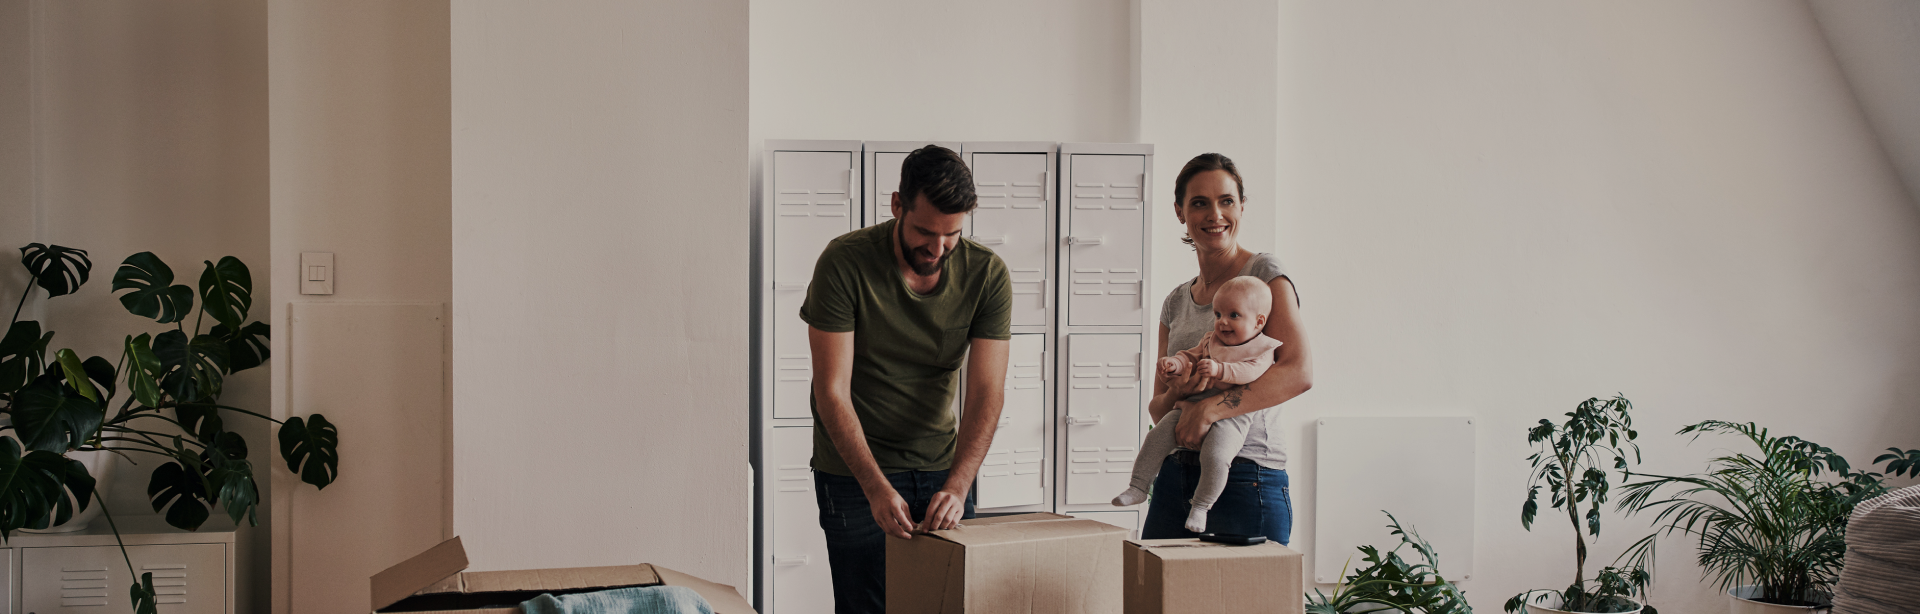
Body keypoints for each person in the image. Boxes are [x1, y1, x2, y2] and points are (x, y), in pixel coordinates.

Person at [800, 145, 1013, 614]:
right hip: (855, 474)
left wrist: (958, 485)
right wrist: (875, 487)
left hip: (943, 468)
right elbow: (831, 391)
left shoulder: (987, 274)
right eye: (924, 231)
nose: (937, 249)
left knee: (950, 603)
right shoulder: (844, 263)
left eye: (952, 235)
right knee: (867, 608)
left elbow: (986, 393)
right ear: (897, 205)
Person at [1139, 152, 1313, 544]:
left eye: (1226, 201)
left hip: (1246, 477)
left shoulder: (1265, 275)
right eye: (1199, 203)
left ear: (1241, 206)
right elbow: (1156, 407)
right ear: (1180, 212)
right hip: (1174, 477)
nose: (1214, 214)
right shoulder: (1175, 302)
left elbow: (1298, 372)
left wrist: (1210, 409)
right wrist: (1180, 391)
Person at [1113, 276, 1283, 533]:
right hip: (1190, 405)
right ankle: (1138, 486)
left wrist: (1220, 369)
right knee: (1156, 437)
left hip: (1232, 417)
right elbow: (1189, 355)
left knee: (1216, 456)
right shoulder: (1210, 339)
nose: (1222, 322)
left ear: (1259, 322)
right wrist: (1175, 364)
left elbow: (1250, 373)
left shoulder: (1261, 349)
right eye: (1218, 314)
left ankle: (1202, 506)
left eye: (1233, 315)